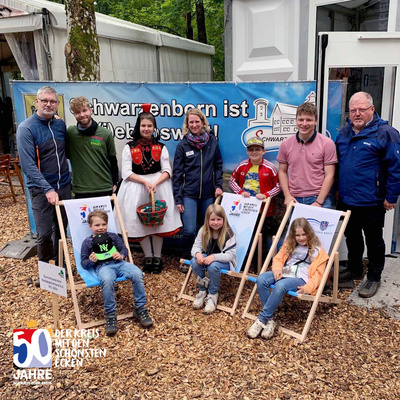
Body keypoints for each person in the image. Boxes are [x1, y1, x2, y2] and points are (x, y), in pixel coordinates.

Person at [336, 91, 400, 298]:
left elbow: (395, 168)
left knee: (374, 240)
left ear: (372, 109)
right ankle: (355, 269)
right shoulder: (343, 133)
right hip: (347, 199)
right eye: (353, 110)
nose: (357, 114)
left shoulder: (386, 133)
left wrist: (391, 196)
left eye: (362, 109)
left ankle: (374, 277)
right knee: (352, 237)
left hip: (372, 201)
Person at [117, 104, 182, 273]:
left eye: (149, 126)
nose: (146, 129)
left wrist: (155, 182)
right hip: (135, 187)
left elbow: (167, 170)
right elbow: (126, 172)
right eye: (143, 125)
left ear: (154, 127)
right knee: (141, 223)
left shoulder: (161, 147)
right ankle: (148, 256)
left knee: (157, 222)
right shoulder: (129, 147)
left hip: (158, 186)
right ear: (138, 127)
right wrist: (144, 182)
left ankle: (157, 258)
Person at [16, 86, 71, 277]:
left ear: (57, 104)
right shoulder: (26, 128)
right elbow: (28, 166)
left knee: (62, 231)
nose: (49, 104)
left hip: (63, 185)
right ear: (37, 102)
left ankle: (61, 269)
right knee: (45, 233)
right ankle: (47, 274)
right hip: (41, 190)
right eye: (45, 100)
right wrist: (47, 189)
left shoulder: (59, 124)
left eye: (53, 101)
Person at [247, 218, 328, 340]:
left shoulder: (318, 251)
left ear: (309, 233)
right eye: (297, 235)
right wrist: (277, 269)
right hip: (286, 273)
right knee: (262, 278)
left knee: (280, 286)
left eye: (304, 234)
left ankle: (262, 320)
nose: (301, 238)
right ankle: (270, 320)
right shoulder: (290, 245)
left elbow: (318, 275)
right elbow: (278, 259)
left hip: (302, 278)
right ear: (293, 235)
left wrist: (308, 288)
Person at [81, 210, 153, 336]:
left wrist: (121, 255)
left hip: (120, 264)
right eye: (97, 225)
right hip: (103, 267)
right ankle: (111, 315)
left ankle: (140, 308)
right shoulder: (87, 242)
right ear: (90, 227)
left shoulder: (113, 237)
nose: (101, 227)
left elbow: (123, 249)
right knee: (107, 281)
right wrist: (91, 261)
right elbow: (84, 263)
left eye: (103, 224)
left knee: (137, 273)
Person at [173, 108, 224, 261]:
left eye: (197, 121)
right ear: (187, 125)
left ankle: (205, 257)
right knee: (189, 230)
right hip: (189, 194)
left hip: (208, 194)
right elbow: (177, 173)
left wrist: (218, 185)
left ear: (202, 122)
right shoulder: (183, 145)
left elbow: (218, 165)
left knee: (207, 228)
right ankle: (188, 258)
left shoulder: (212, 142)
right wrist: (178, 198)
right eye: (191, 122)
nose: (194, 125)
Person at [277, 102, 337, 208]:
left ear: (316, 121)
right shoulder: (286, 144)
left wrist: (319, 202)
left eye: (309, 120)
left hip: (319, 198)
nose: (304, 124)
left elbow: (330, 175)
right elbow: (282, 171)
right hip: (295, 199)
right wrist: (287, 196)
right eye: (301, 119)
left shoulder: (327, 143)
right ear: (296, 120)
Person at [67, 96, 119, 198]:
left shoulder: (106, 134)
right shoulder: (70, 133)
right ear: (74, 114)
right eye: (77, 112)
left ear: (91, 110)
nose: (82, 115)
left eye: (84, 110)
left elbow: (113, 159)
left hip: (104, 187)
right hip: (80, 189)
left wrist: (115, 182)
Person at [191, 204, 237, 314]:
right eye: (212, 219)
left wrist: (214, 257)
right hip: (209, 258)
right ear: (207, 220)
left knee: (213, 265)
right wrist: (198, 254)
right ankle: (202, 290)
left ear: (223, 219)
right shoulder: (203, 230)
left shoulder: (229, 234)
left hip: (225, 262)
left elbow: (230, 255)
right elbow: (195, 247)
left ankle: (212, 294)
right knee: (194, 261)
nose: (215, 222)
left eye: (219, 219)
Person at [229, 136, 281, 216]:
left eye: (257, 149)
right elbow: (232, 181)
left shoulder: (270, 168)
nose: (254, 152)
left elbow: (278, 186)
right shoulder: (242, 165)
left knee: (262, 227)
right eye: (251, 150)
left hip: (263, 207)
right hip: (244, 207)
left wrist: (265, 195)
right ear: (247, 151)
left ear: (263, 151)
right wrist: (241, 192)